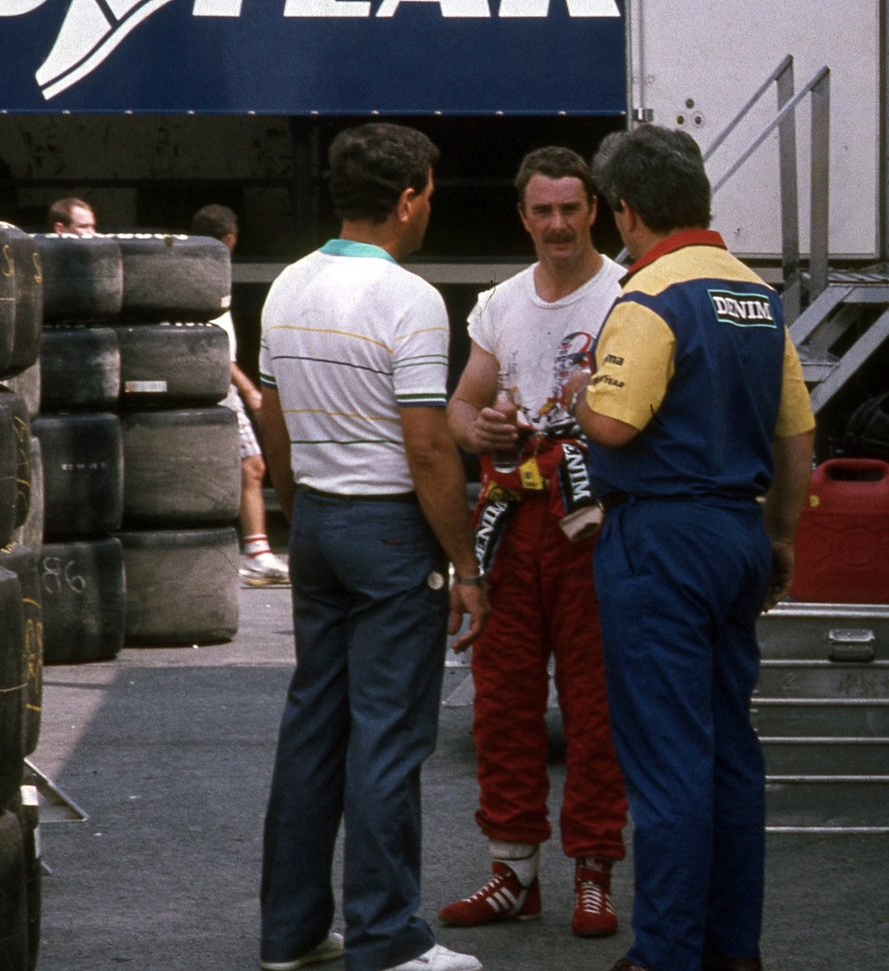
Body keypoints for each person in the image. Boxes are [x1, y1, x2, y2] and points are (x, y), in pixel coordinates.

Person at [563, 125, 815, 971]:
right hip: (738, 532)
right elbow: (796, 437)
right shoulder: (757, 295)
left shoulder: (649, 297)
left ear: (626, 212)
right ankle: (732, 949)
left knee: (668, 758)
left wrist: (577, 394)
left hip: (660, 538)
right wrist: (779, 537)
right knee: (729, 751)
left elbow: (617, 419)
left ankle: (666, 953)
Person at [253, 123, 489, 971]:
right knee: (388, 736)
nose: (430, 207)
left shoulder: (286, 283)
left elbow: (274, 421)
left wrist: (300, 505)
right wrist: (466, 565)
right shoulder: (411, 299)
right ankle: (389, 940)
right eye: (430, 192)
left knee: (314, 726)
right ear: (406, 199)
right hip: (390, 529)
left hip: (315, 520)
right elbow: (429, 448)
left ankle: (291, 932)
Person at [439, 147, 629, 938]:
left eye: (570, 208)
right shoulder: (500, 304)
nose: (557, 224)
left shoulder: (628, 296)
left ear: (595, 210)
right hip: (512, 521)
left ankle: (594, 871)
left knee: (596, 706)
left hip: (595, 526)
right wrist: (476, 425)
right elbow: (459, 408)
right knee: (503, 700)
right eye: (542, 211)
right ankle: (513, 873)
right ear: (523, 216)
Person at [190, 203, 291, 585]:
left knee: (244, 467)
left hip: (213, 386)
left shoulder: (194, 274)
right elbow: (213, 343)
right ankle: (258, 555)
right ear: (230, 239)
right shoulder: (206, 280)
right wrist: (249, 389)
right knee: (251, 465)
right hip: (219, 388)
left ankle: (256, 552)